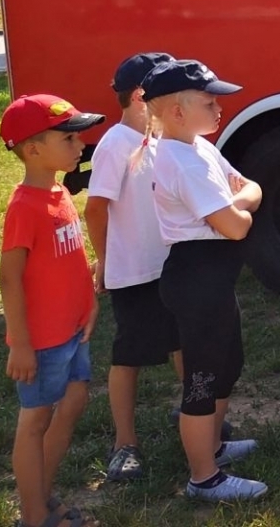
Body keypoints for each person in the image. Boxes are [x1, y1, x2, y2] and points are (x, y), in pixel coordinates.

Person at [142, 59, 266, 501]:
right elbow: (235, 225)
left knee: (226, 364)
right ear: (176, 110)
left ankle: (212, 448)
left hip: (212, 277)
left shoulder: (197, 146)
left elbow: (250, 186)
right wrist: (241, 209)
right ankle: (203, 478)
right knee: (202, 377)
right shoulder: (183, 160)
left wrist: (239, 202)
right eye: (210, 102)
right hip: (197, 278)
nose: (219, 109)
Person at [0, 93, 105, 527]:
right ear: (33, 149)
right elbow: (10, 279)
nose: (80, 143)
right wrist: (20, 344)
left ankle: (42, 496)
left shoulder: (58, 191)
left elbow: (71, 256)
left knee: (75, 398)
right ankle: (33, 516)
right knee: (35, 423)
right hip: (42, 340)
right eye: (69, 137)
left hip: (73, 330)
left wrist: (89, 300)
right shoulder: (24, 207)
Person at [82, 52, 177, 484]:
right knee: (129, 355)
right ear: (142, 96)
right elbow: (96, 208)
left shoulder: (161, 140)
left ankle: (201, 422)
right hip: (135, 273)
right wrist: (105, 259)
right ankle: (125, 444)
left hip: (170, 268)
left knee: (183, 343)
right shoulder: (114, 145)